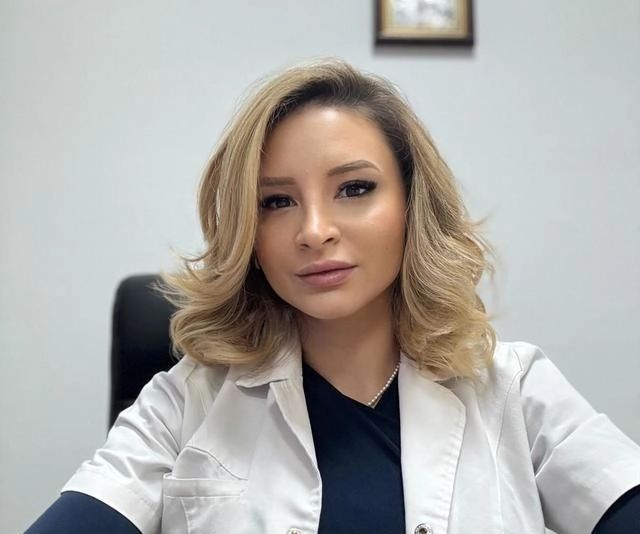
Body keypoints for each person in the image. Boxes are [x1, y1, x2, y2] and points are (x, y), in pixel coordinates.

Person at [27, 58, 640, 534]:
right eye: (277, 201)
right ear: (248, 233)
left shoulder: (516, 388)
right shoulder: (184, 403)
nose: (314, 230)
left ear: (412, 206)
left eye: (354, 189)